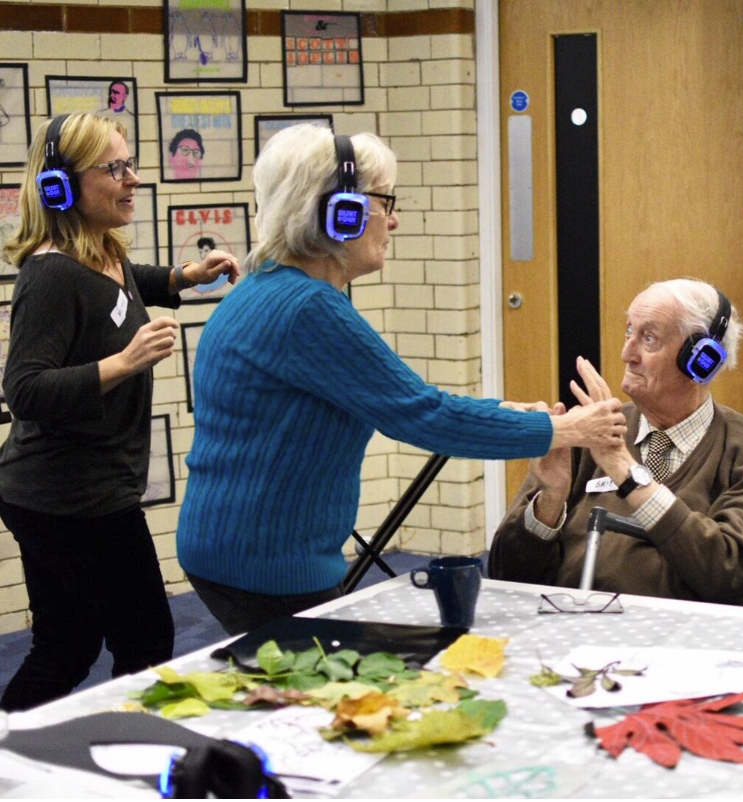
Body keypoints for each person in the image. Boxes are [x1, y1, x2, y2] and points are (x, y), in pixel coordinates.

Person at [176, 125, 626, 635]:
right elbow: (422, 415)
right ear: (337, 212)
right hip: (265, 562)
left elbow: (400, 400)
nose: (394, 220)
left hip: (235, 546)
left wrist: (505, 415)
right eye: (384, 201)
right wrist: (568, 431)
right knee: (322, 698)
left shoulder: (269, 288)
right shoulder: (308, 307)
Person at [0, 113, 239, 711]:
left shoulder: (101, 253)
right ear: (61, 185)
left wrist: (185, 276)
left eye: (129, 164)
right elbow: (23, 390)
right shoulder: (52, 275)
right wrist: (123, 364)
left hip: (65, 493)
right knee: (147, 641)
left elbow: (124, 288)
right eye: (115, 168)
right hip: (69, 498)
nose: (132, 179)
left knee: (66, 645)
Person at [489, 279, 743, 606]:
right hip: (567, 633)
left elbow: (732, 576)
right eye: (629, 331)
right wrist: (548, 505)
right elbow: (503, 576)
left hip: (680, 648)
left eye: (649, 338)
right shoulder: (588, 431)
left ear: (700, 360)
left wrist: (624, 469)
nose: (627, 353)